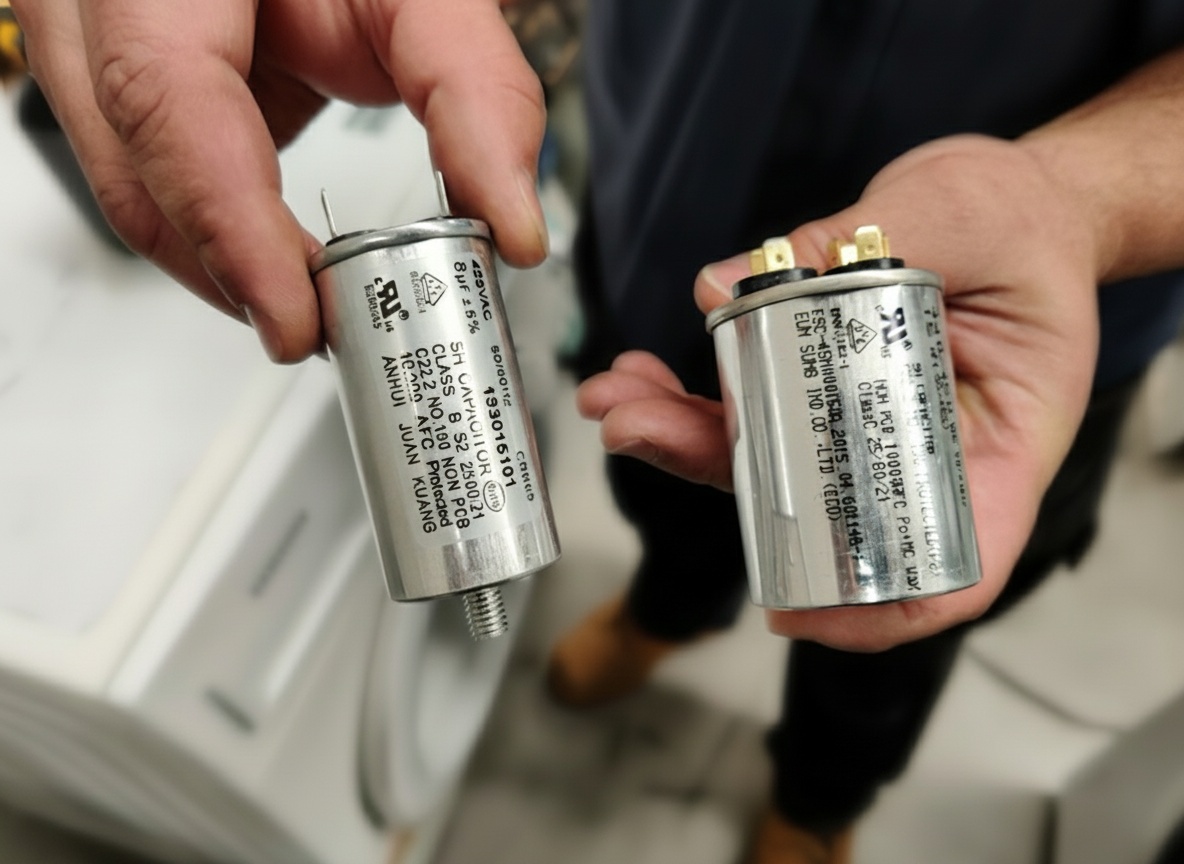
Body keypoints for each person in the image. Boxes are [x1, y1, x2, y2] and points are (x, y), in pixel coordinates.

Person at [11, 0, 1184, 861]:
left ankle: (820, 805)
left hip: (1003, 329)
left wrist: (1077, 200)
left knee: (895, 625)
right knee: (660, 481)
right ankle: (666, 614)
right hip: (670, 221)